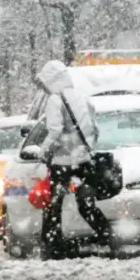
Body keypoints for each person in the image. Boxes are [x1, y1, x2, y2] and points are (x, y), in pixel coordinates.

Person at [34, 60, 115, 259]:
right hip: (83, 161)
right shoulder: (82, 98)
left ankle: (53, 246)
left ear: (51, 80)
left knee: (54, 205)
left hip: (62, 163)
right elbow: (94, 130)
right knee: (86, 204)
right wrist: (83, 149)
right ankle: (108, 236)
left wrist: (43, 152)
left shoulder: (55, 100)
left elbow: (55, 130)